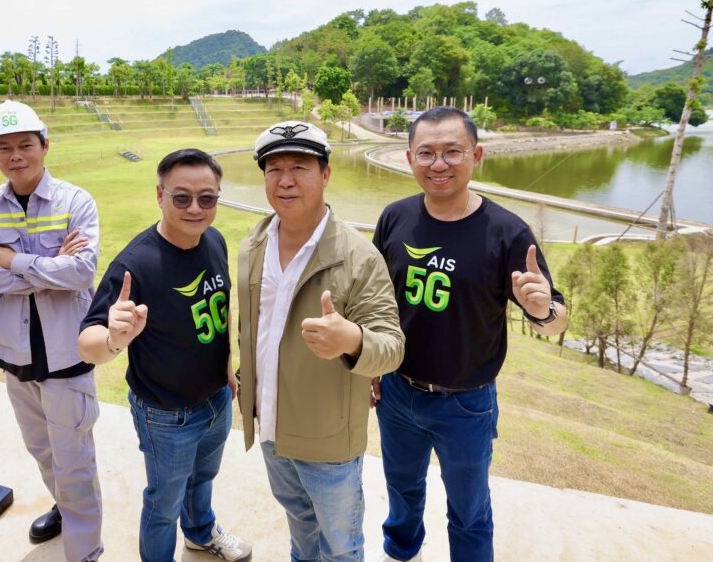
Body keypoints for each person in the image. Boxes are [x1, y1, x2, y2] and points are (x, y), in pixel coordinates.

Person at [371, 106, 568, 562]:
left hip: (466, 402)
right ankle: (401, 552)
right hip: (397, 391)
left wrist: (542, 310)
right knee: (401, 489)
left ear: (475, 155)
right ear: (409, 159)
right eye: (426, 153)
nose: (438, 164)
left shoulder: (508, 232)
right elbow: (376, 300)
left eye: (452, 152)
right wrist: (371, 367)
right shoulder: (394, 217)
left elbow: (557, 318)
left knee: (469, 511)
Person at [237, 121, 405, 562]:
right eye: (274, 169)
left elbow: (392, 346)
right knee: (300, 525)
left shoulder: (359, 256)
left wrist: (354, 340)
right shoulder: (254, 243)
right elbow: (257, 328)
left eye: (299, 167)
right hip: (270, 424)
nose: (285, 180)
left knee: (340, 546)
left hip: (328, 439)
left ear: (326, 174)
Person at [79, 149, 251, 562]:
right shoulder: (136, 263)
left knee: (203, 478)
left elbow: (220, 310)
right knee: (163, 503)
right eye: (182, 197)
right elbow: (87, 342)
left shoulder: (214, 240)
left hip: (216, 398)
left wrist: (227, 369)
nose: (195, 208)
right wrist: (114, 338)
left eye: (207, 198)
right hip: (166, 414)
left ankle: (200, 532)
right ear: (160, 195)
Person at [0, 100, 103, 562]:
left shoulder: (75, 201)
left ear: (45, 145)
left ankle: (85, 552)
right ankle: (65, 508)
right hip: (16, 354)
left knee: (74, 458)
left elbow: (81, 271)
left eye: (25, 144)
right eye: (3, 147)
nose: (16, 155)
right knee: (43, 449)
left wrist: (12, 260)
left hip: (66, 352)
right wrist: (49, 266)